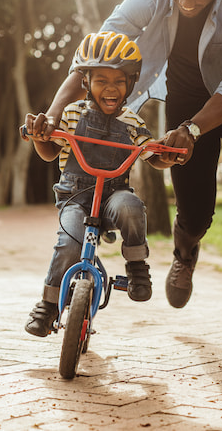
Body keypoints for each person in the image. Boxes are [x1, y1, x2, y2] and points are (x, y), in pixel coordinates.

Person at [31, 0, 222, 354]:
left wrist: (194, 131)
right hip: (186, 94)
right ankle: (186, 250)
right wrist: (54, 113)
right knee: (197, 211)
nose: (186, 3)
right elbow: (97, 52)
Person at [22, 31, 175, 338]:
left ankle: (136, 266)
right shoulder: (71, 113)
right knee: (69, 242)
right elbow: (50, 150)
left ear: (131, 83)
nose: (110, 88)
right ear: (86, 83)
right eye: (101, 80)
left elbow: (152, 155)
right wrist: (40, 137)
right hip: (75, 197)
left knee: (132, 208)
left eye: (119, 81)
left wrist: (168, 154)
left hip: (113, 196)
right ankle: (48, 305)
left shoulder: (133, 122)